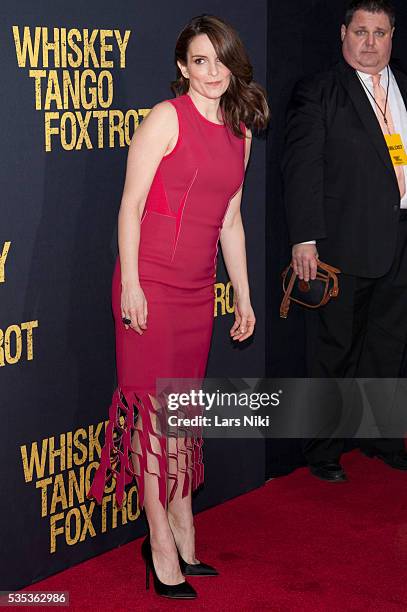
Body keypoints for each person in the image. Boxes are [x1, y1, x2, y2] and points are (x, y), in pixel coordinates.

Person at [87, 14, 269, 600]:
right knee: (153, 415)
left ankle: (186, 523)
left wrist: (242, 293)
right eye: (199, 61)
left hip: (195, 290)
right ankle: (161, 539)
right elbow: (130, 206)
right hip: (151, 286)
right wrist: (133, 286)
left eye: (220, 60)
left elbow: (233, 222)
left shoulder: (240, 132)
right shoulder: (166, 118)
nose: (212, 73)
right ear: (181, 68)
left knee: (181, 413)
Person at [282, 0, 407, 482]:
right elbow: (302, 169)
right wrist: (305, 239)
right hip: (342, 241)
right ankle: (324, 448)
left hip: (401, 237)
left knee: (389, 343)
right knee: (335, 347)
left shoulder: (403, 86)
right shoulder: (319, 90)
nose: (370, 43)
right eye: (361, 32)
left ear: (392, 36)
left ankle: (380, 435)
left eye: (380, 32)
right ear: (342, 34)